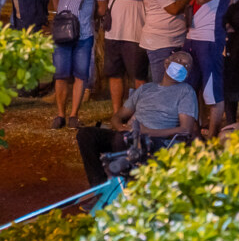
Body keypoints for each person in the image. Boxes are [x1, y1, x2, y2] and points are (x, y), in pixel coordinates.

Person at [75, 51, 198, 186]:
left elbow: (185, 129)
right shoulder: (146, 88)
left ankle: (124, 188)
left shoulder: (186, 91)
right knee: (86, 134)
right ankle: (99, 188)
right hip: (129, 135)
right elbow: (118, 116)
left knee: (121, 139)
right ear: (166, 63)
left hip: (155, 141)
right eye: (179, 61)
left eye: (187, 65)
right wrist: (120, 127)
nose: (182, 65)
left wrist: (147, 132)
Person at [85, 0, 154, 115]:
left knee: (138, 76)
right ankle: (118, 113)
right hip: (113, 32)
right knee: (114, 74)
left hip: (135, 32)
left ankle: (141, 114)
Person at [50, 0, 108, 130]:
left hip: (84, 34)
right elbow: (55, 2)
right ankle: (60, 114)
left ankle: (74, 114)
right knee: (60, 75)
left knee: (80, 75)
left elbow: (101, 3)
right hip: (62, 34)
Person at [185, 0, 233, 138]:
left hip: (210, 37)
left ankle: (212, 134)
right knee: (188, 87)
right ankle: (193, 131)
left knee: (212, 89)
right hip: (192, 36)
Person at [139, 0, 195, 83]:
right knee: (163, 84)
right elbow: (173, 8)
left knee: (173, 84)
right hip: (161, 43)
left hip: (170, 41)